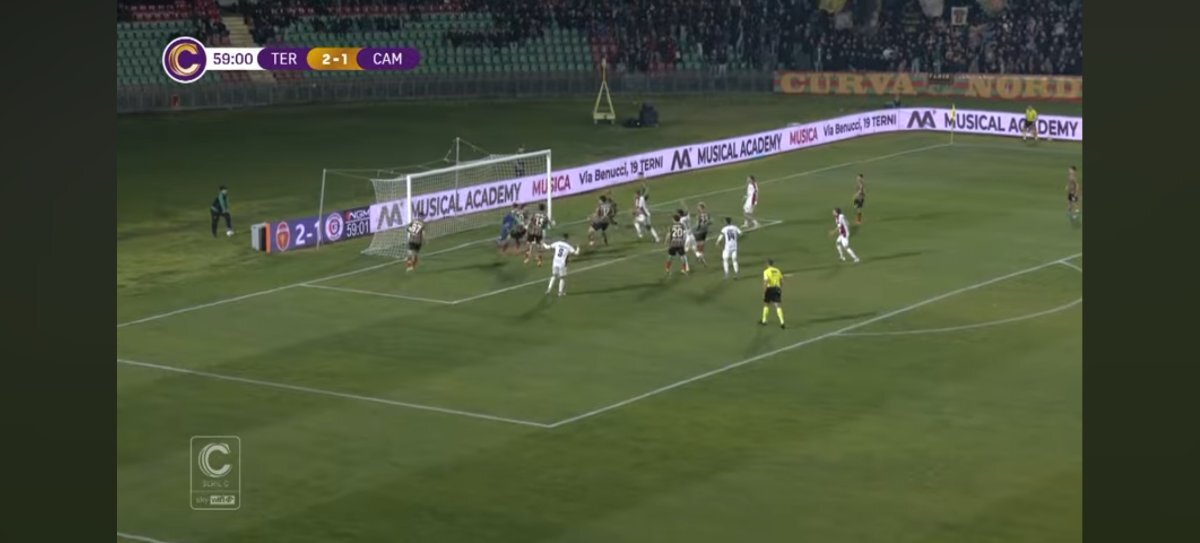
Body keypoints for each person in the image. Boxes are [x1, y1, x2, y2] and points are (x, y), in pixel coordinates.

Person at [760, 259, 785, 329]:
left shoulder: (766, 271)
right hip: (777, 288)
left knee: (766, 304)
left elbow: (766, 281)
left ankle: (764, 320)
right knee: (778, 306)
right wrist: (780, 288)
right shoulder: (778, 270)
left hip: (770, 289)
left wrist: (764, 291)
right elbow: (782, 281)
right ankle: (782, 322)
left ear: (767, 264)